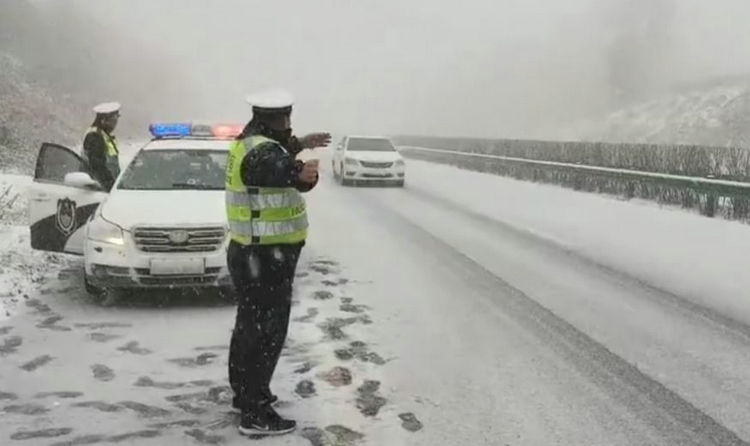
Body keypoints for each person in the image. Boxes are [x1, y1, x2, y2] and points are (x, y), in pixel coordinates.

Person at [225, 89, 331, 436]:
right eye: (288, 120)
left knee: (249, 328)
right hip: (265, 257)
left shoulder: (250, 142)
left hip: (253, 254)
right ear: (281, 119)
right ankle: (256, 412)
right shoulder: (263, 155)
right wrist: (300, 172)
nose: (290, 126)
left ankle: (246, 395)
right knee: (266, 333)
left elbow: (272, 157)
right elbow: (272, 166)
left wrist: (298, 146)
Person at [83, 102, 121, 191]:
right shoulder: (94, 137)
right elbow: (98, 166)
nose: (115, 123)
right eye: (113, 119)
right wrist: (110, 185)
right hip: (99, 189)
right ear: (104, 120)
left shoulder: (105, 135)